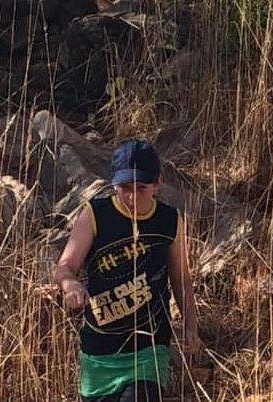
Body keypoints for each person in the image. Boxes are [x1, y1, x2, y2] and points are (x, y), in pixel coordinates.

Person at [53, 138, 202, 402]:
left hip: (148, 348)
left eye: (142, 188)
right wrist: (71, 284)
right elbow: (65, 266)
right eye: (124, 188)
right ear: (113, 183)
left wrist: (191, 324)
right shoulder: (95, 214)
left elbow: (181, 278)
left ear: (157, 183)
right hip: (100, 351)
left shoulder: (169, 220)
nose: (132, 197)